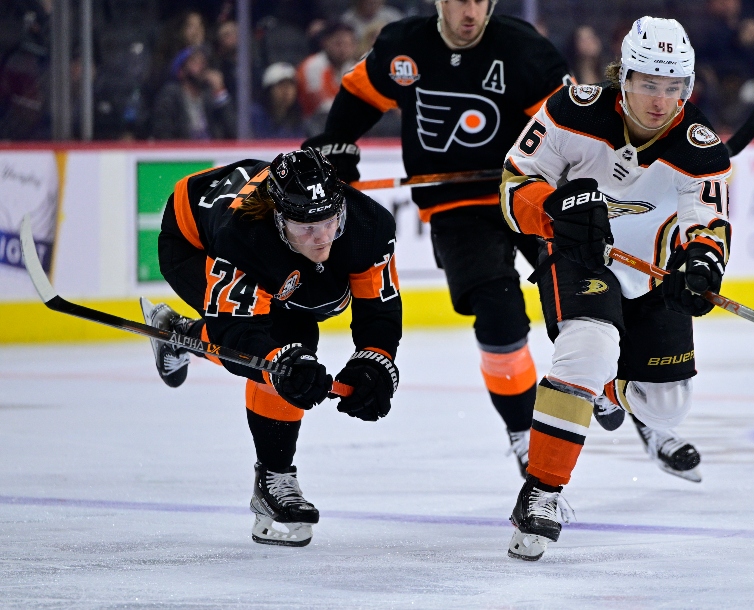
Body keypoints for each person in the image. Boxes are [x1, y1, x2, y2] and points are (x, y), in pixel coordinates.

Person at [302, 0, 574, 479]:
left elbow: (570, 127)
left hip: (528, 191)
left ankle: (613, 381)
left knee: (577, 290)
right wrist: (337, 143)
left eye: (479, 0)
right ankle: (523, 434)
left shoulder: (523, 50)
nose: (469, 11)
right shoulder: (403, 46)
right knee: (498, 313)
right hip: (455, 206)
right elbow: (360, 94)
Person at [499, 16, 732, 560]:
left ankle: (606, 391)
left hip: (650, 270)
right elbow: (513, 185)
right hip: (578, 258)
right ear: (622, 76)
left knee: (667, 406)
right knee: (589, 345)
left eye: (673, 87)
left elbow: (709, 224)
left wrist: (700, 264)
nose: (659, 100)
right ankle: (541, 493)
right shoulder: (569, 111)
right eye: (649, 83)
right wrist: (552, 210)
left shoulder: (699, 147)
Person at [140, 149, 402, 547]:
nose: (322, 237)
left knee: (297, 336)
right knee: (288, 347)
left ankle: (178, 331)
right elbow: (237, 332)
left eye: (330, 221)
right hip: (190, 240)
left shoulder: (369, 224)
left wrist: (375, 362)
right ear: (279, 217)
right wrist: (281, 363)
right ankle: (273, 480)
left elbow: (380, 310)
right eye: (306, 227)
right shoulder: (243, 235)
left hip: (270, 250)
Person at [297, 20, 361, 134]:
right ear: (325, 43)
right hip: (311, 124)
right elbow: (322, 106)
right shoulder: (313, 66)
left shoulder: (354, 68)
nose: (343, 50)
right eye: (338, 44)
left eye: (348, 44)